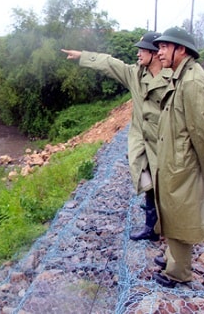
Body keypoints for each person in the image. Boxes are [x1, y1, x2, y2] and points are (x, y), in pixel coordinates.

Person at [61, 32, 171, 242]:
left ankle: (170, 231)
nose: (138, 54)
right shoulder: (136, 75)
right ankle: (152, 227)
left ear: (156, 53)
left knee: (166, 188)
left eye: (142, 50)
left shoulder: (173, 78)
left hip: (165, 142)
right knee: (148, 184)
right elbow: (110, 64)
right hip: (142, 141)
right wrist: (82, 56)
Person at [150, 27, 204, 288]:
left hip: (184, 163)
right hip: (177, 161)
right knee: (173, 210)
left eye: (165, 47)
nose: (160, 52)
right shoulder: (182, 75)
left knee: (180, 212)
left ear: (181, 50)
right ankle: (172, 258)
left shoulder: (191, 81)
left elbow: (201, 132)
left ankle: (179, 272)